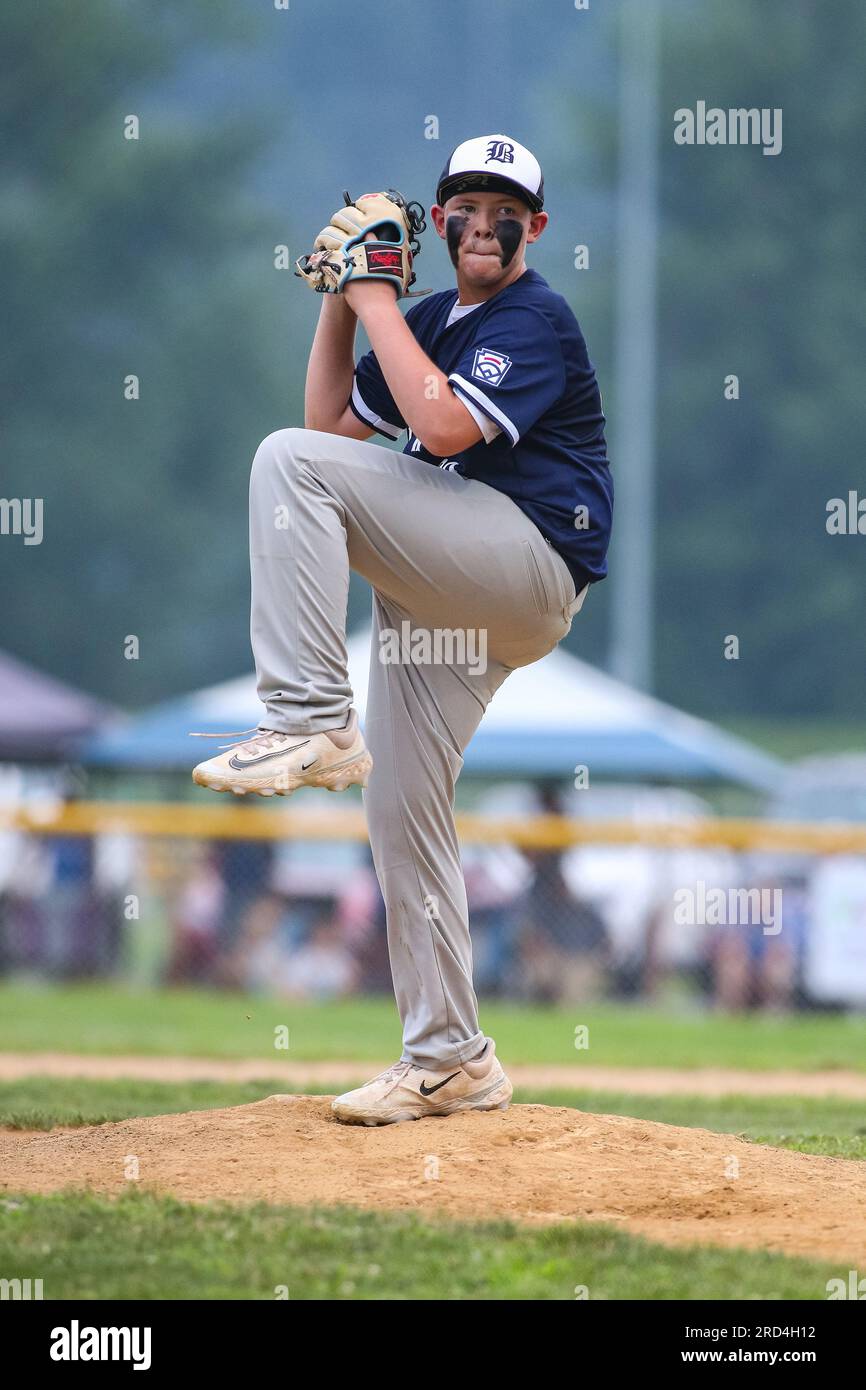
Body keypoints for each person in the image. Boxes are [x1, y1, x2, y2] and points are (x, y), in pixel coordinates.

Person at [191, 134, 613, 1124]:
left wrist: (375, 297)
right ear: (443, 216)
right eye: (466, 200)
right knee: (401, 810)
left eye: (506, 205)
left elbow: (448, 431)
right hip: (451, 593)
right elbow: (331, 427)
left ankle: (305, 715)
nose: (485, 218)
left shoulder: (533, 317)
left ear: (533, 228)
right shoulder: (422, 320)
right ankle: (449, 1056)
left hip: (525, 564)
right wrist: (343, 302)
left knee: (281, 464)